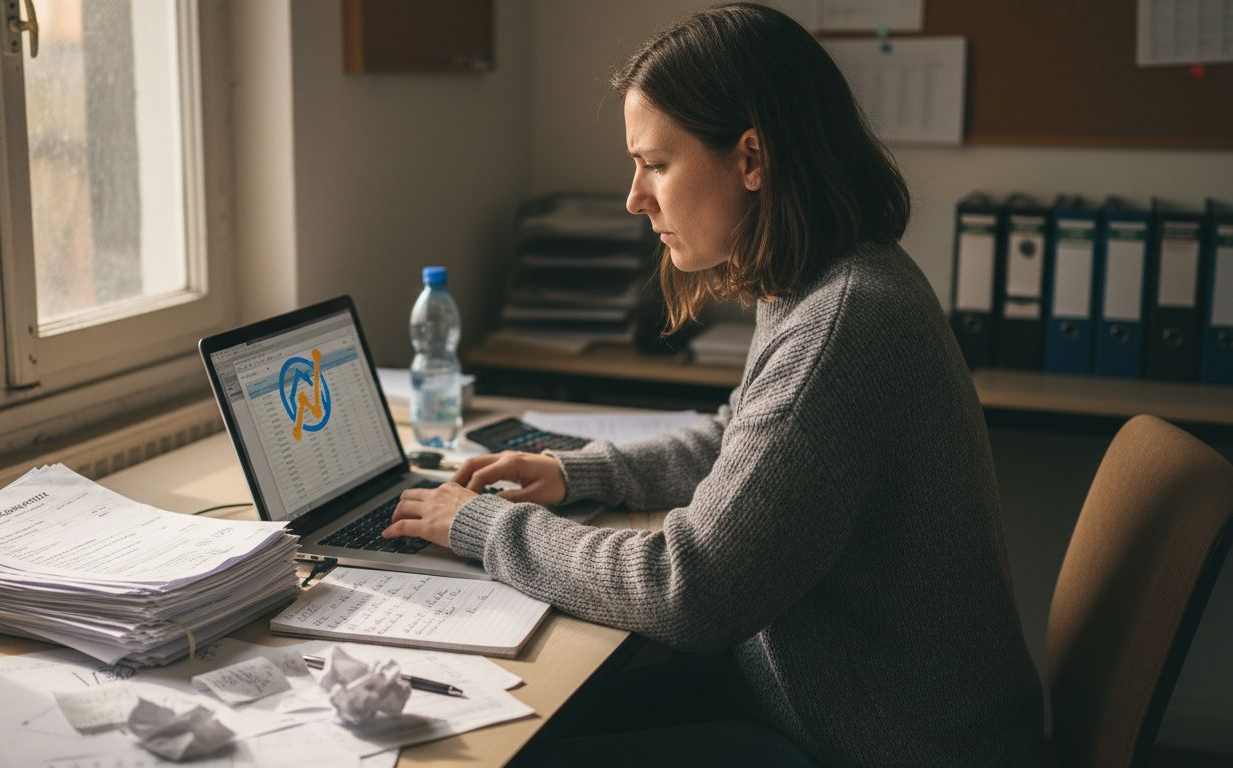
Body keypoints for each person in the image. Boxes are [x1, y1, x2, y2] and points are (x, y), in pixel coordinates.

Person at [382, 4, 1044, 765]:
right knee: (510, 721)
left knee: (496, 749)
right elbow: (743, 436)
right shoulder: (828, 279)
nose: (636, 198)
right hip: (818, 703)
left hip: (879, 743)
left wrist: (480, 527)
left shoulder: (845, 323)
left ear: (752, 159)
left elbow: (688, 590)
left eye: (656, 164)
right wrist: (577, 472)